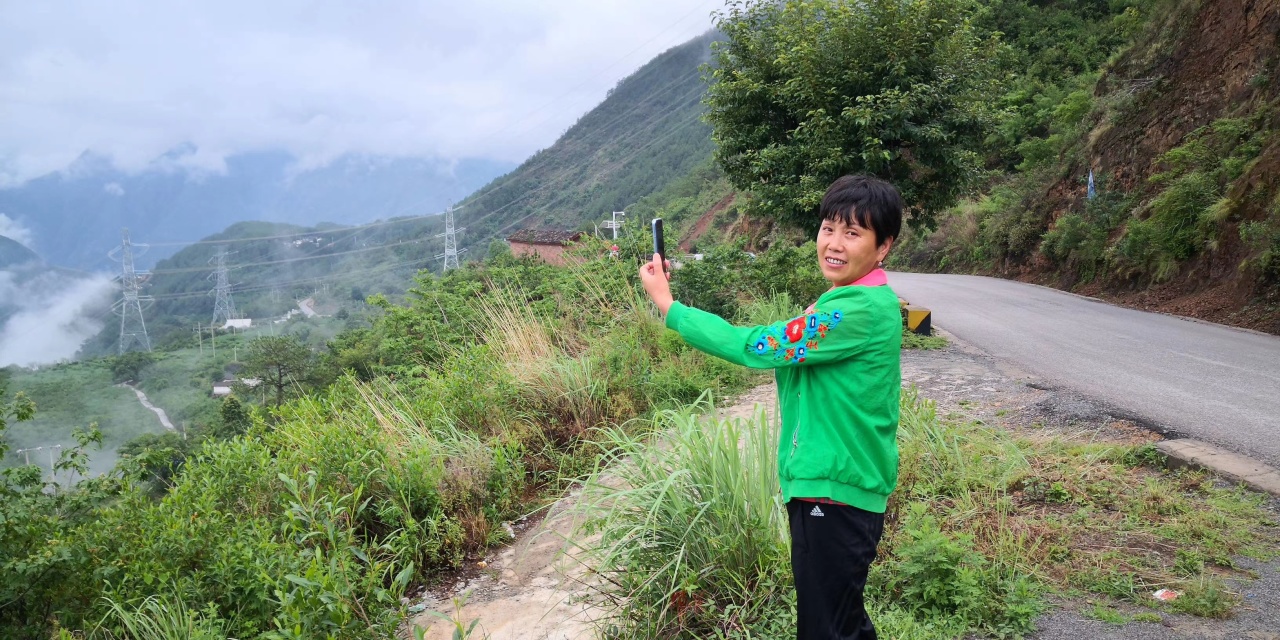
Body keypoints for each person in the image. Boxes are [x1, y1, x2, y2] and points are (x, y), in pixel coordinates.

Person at [637, 174, 903, 640]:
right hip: (831, 485)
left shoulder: (856, 310)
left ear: (883, 247)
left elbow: (760, 346)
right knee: (840, 624)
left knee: (827, 629)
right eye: (828, 228)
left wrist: (670, 308)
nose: (834, 243)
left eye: (852, 233)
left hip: (835, 490)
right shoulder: (845, 300)